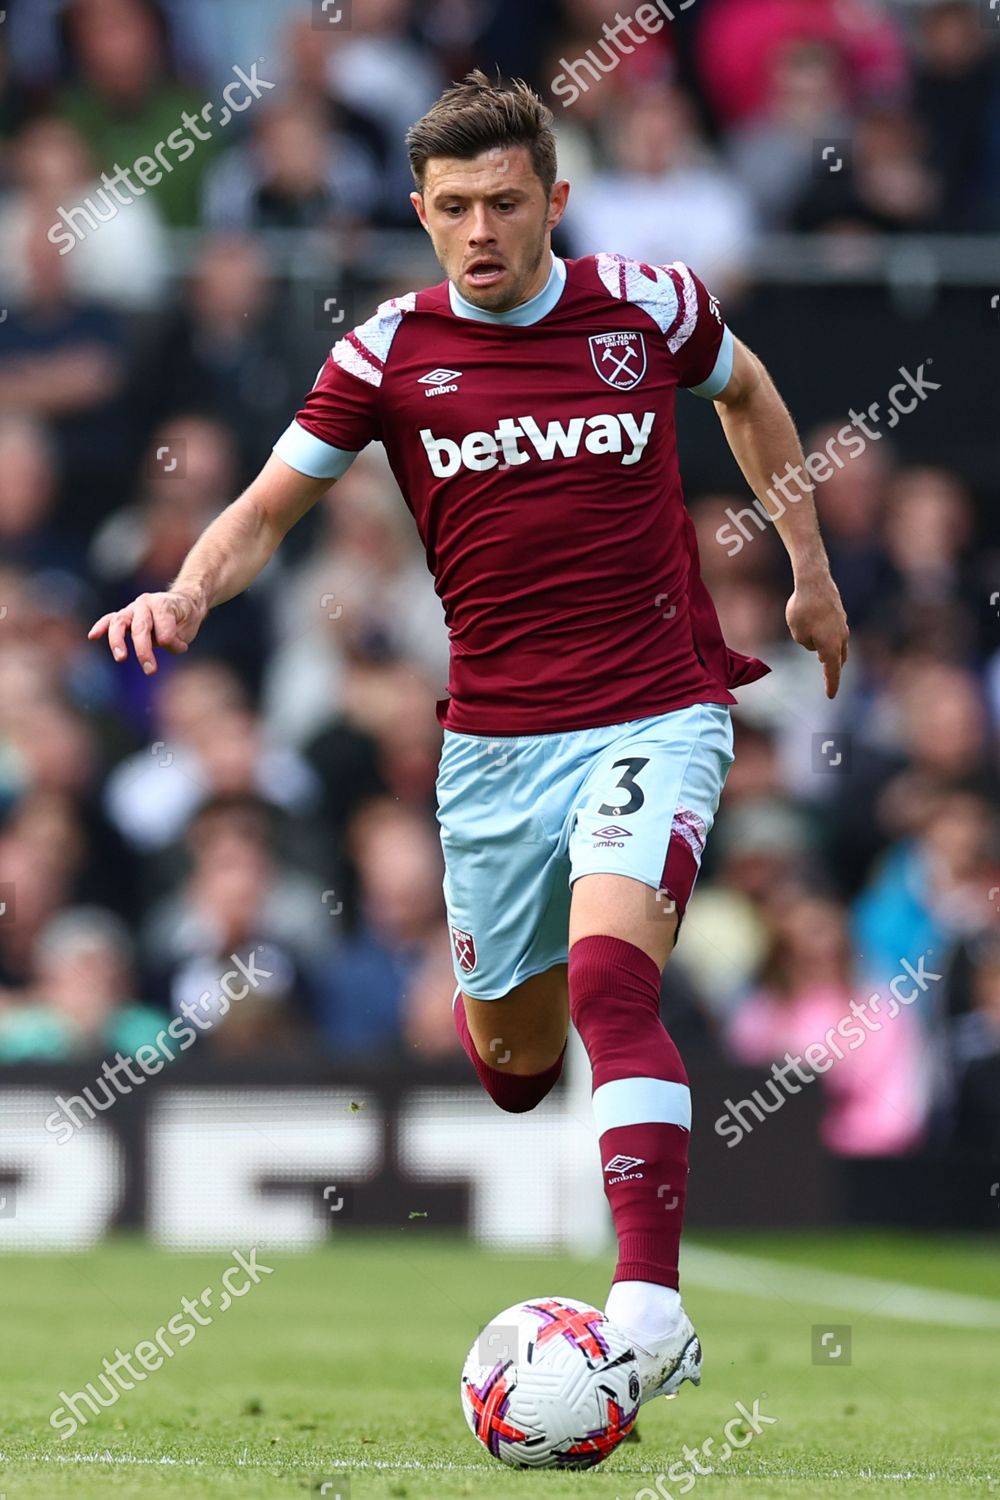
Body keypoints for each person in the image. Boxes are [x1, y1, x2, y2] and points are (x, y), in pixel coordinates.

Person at [89, 71, 849, 1417]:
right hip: (493, 748)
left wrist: (808, 566)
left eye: (507, 203)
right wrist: (188, 591)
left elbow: (749, 393)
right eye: (454, 209)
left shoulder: (647, 307)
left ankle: (650, 1310)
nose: (482, 231)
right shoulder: (389, 354)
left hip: (654, 707)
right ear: (419, 211)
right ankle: (551, 1090)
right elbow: (266, 509)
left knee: (616, 988)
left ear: (556, 199)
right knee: (513, 1065)